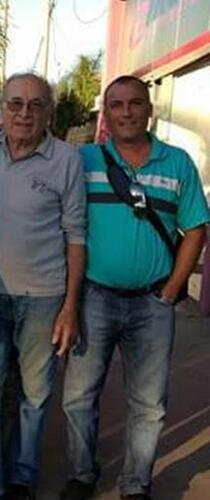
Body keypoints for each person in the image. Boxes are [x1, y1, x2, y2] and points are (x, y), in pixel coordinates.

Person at [61, 75, 210, 500]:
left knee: (148, 405)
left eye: (134, 104)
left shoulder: (177, 162)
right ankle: (82, 474)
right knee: (77, 397)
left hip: (152, 304)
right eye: (117, 105)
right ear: (104, 114)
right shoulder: (83, 160)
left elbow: (196, 228)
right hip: (93, 298)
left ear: (150, 110)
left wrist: (172, 290)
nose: (126, 112)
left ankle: (135, 483)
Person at [0, 72, 86, 500]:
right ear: (1, 109)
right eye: (16, 103)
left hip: (44, 298)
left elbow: (76, 235)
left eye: (36, 104)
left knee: (35, 395)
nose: (24, 113)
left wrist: (70, 307)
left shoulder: (66, 160)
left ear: (49, 113)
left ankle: (21, 476)